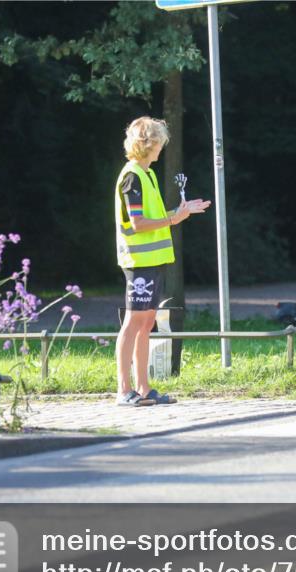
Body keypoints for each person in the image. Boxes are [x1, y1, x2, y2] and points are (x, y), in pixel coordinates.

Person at [114, 116, 211, 406]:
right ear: (148, 144)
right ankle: (123, 390)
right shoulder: (132, 176)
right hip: (139, 262)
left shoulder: (148, 174)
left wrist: (179, 211)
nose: (162, 148)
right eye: (159, 142)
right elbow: (139, 223)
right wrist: (173, 217)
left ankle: (144, 389)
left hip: (152, 260)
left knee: (147, 324)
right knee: (133, 323)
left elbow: (151, 220)